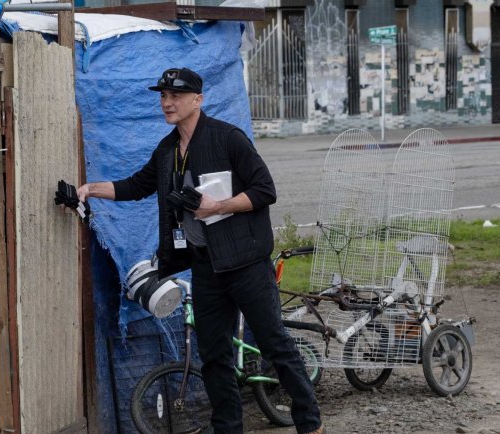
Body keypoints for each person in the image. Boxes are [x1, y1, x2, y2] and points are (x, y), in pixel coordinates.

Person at [77, 68, 324, 434]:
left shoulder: (228, 139)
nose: (167, 102)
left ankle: (310, 423)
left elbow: (265, 190)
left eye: (175, 95)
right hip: (206, 267)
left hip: (246, 264)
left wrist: (219, 206)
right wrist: (90, 189)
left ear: (198, 99)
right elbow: (137, 185)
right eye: (162, 96)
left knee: (276, 345)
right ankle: (227, 429)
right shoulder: (167, 150)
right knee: (214, 357)